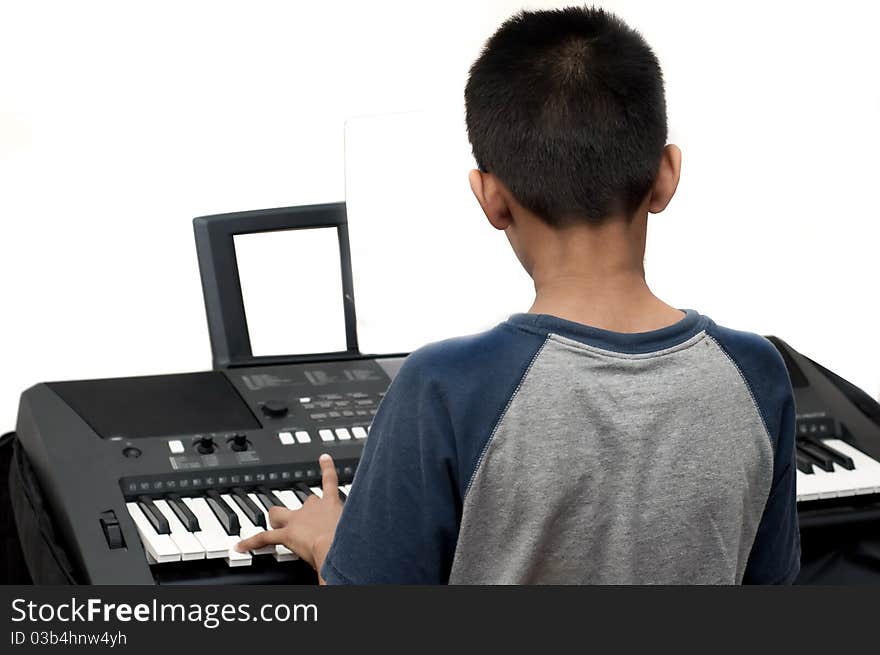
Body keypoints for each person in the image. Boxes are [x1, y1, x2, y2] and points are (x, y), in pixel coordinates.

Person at [236, 6, 799, 584]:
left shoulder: (444, 387)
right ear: (666, 175)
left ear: (490, 199)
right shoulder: (758, 373)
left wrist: (329, 537)